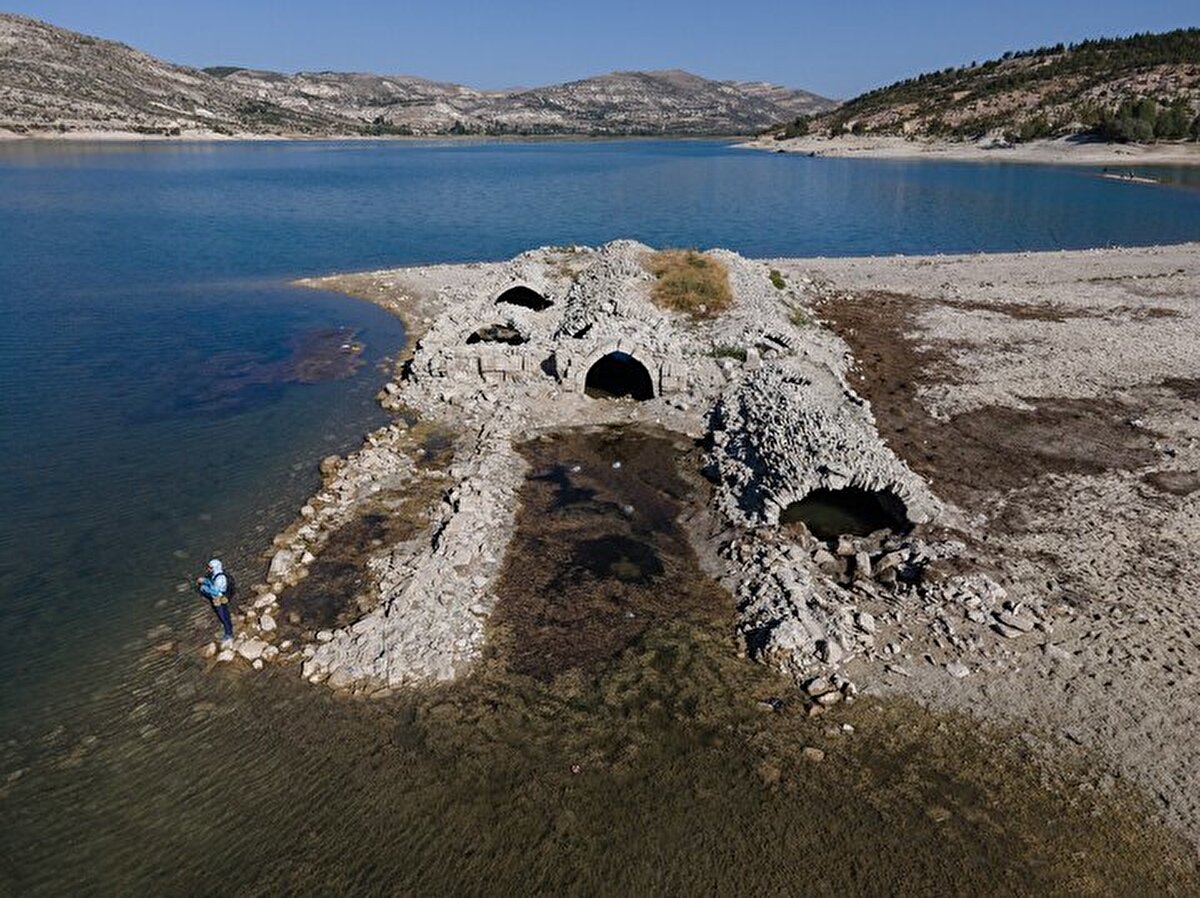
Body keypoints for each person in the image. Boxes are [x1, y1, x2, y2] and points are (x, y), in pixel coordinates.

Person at [197, 559, 233, 644]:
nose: (209, 569)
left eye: (210, 567)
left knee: (223, 615)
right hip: (220, 597)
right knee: (224, 613)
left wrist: (204, 589)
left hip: (219, 599)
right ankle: (228, 628)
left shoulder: (220, 578)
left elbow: (216, 591)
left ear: (215, 567)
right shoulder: (217, 575)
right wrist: (205, 581)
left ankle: (228, 634)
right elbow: (213, 584)